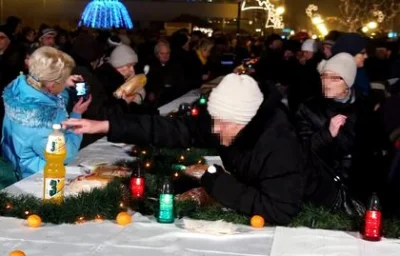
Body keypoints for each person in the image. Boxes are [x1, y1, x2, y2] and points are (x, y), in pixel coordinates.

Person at [63, 73, 307, 225]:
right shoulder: (228, 125)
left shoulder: (278, 142)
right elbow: (171, 129)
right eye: (215, 121)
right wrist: (105, 125)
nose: (217, 129)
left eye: (224, 123)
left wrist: (215, 180)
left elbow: (281, 209)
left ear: (247, 121)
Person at [296, 53, 387, 203]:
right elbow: (299, 151)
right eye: (324, 76)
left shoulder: (366, 107)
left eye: (334, 78)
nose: (327, 82)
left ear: (348, 82)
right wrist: (326, 134)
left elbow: (378, 149)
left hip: (359, 189)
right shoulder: (309, 108)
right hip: (320, 190)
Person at [2, 46, 91, 180]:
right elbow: (66, 153)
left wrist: (63, 82)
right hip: (36, 178)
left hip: (15, 162)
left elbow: (49, 95)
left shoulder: (22, 88)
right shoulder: (39, 121)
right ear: (52, 85)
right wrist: (76, 116)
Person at [145, 40, 185, 107]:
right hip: (156, 101)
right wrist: (150, 92)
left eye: (167, 53)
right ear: (157, 54)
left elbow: (181, 82)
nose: (165, 56)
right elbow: (146, 82)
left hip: (173, 98)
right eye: (162, 53)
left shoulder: (176, 65)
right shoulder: (150, 66)